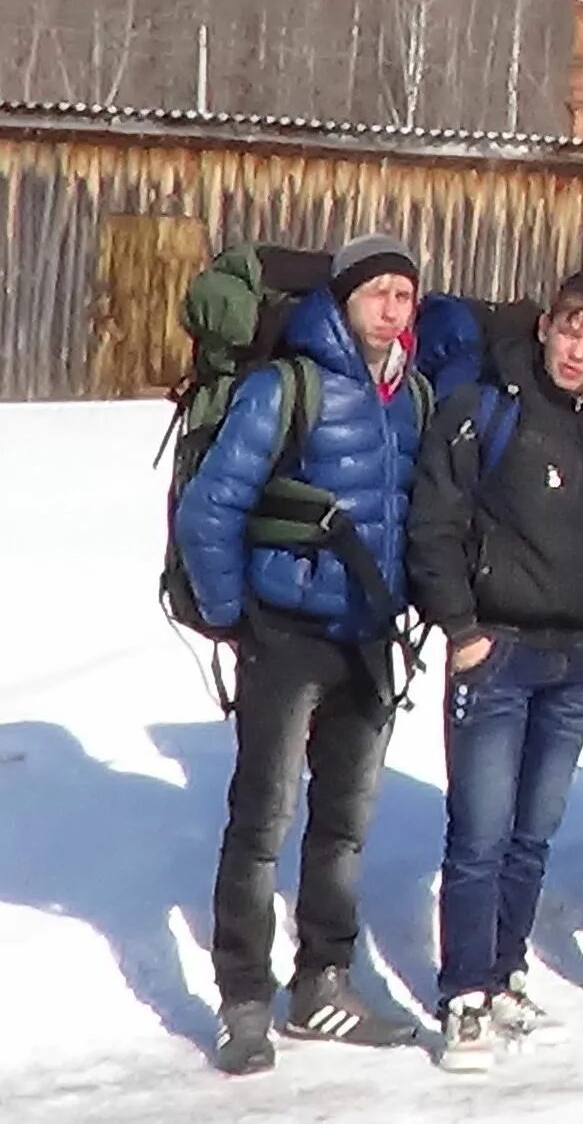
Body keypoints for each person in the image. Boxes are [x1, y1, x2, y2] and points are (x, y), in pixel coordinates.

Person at [173, 232, 429, 1075]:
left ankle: (322, 982)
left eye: (404, 295)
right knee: (261, 824)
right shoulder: (288, 386)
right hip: (284, 632)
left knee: (344, 828)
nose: (391, 310)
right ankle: (243, 998)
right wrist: (231, 615)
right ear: (343, 299)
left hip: (366, 641)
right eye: (377, 293)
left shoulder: (410, 397)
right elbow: (211, 508)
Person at [406, 272, 583, 1072]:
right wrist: (462, 628)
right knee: (478, 833)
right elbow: (434, 523)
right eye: (568, 331)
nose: (578, 351)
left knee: (532, 835)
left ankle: (504, 973)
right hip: (497, 650)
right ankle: (463, 995)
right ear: (545, 327)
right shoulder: (484, 408)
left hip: (579, 660)